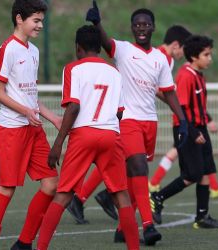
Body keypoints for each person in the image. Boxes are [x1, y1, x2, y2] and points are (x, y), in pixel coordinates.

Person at [79, 1, 189, 246]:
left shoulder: (161, 60)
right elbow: (106, 42)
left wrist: (182, 121)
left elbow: (169, 92)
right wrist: (97, 23)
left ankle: (122, 229)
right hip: (127, 120)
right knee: (139, 168)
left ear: (153, 28)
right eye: (137, 24)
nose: (141, 28)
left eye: (146, 24)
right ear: (132, 28)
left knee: (133, 178)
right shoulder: (124, 49)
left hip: (150, 122)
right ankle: (148, 226)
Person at [36, 24, 140, 250]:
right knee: (121, 196)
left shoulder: (73, 69)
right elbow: (120, 111)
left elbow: (73, 107)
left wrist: (58, 143)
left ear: (78, 48)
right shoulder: (114, 72)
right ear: (100, 49)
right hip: (111, 134)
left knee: (63, 195)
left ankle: (41, 247)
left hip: (83, 135)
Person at [0, 1, 61, 250]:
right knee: (6, 188)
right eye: (36, 20)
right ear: (19, 19)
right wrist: (25, 111)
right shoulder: (8, 49)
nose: (40, 25)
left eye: (42, 21)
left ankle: (24, 243)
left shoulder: (33, 51)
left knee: (51, 184)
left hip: (33, 129)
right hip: (11, 129)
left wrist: (54, 118)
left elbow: (31, 96)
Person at [149, 27, 218, 199]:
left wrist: (207, 120)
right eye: (206, 55)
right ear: (194, 56)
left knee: (206, 168)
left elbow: (198, 105)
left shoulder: (198, 75)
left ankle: (203, 215)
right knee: (192, 173)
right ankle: (157, 195)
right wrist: (192, 130)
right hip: (186, 126)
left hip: (197, 126)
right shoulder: (183, 73)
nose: (210, 59)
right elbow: (178, 104)